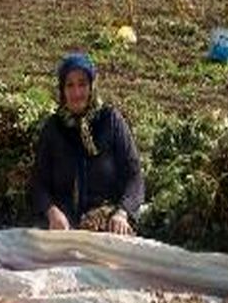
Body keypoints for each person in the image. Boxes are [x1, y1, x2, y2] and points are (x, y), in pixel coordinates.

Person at [31, 53, 144, 235]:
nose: (76, 93)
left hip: (106, 221)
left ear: (92, 87)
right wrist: (52, 212)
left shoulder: (110, 120)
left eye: (82, 84)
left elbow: (134, 176)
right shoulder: (54, 127)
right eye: (70, 85)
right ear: (62, 89)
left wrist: (122, 213)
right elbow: (38, 183)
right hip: (64, 225)